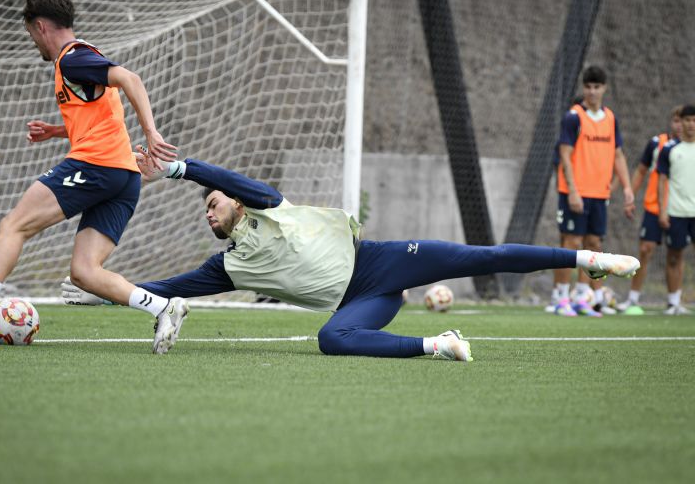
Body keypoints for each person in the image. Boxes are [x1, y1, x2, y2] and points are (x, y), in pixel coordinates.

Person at [61, 151, 641, 361]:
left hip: (382, 264)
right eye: (205, 208)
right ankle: (440, 345)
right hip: (364, 303)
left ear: (236, 203)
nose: (208, 211)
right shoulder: (226, 268)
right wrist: (97, 285)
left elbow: (227, 178)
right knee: (331, 340)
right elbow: (166, 288)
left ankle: (590, 262)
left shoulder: (266, 205)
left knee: (479, 255)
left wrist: (183, 170)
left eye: (213, 204)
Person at [0, 0, 188, 354]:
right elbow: (102, 113)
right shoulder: (84, 59)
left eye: (32, 34)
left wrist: (152, 133)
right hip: (123, 177)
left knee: (13, 226)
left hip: (97, 166)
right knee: (84, 272)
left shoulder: (72, 58)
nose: (34, 42)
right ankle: (164, 307)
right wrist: (57, 130)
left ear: (41, 26)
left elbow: (132, 80)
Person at [551, 66, 634, 317]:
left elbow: (618, 154)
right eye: (588, 86)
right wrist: (573, 191)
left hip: (599, 194)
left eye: (597, 87)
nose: (592, 91)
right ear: (583, 88)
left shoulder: (610, 118)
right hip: (575, 192)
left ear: (604, 88)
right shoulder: (573, 117)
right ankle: (561, 298)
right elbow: (564, 156)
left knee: (594, 245)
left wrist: (627, 186)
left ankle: (582, 297)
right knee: (571, 243)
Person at [617, 105, 684, 312]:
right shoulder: (657, 144)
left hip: (679, 209)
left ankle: (674, 301)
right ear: (671, 122)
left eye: (684, 121)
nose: (680, 125)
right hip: (654, 207)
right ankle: (633, 298)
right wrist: (631, 198)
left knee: (676, 254)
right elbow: (640, 171)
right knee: (645, 251)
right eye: (676, 121)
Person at [657, 104, 695, 315]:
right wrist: (663, 210)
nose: (690, 125)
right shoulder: (670, 149)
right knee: (674, 256)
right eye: (687, 120)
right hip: (677, 211)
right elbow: (662, 181)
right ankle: (673, 302)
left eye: (694, 120)